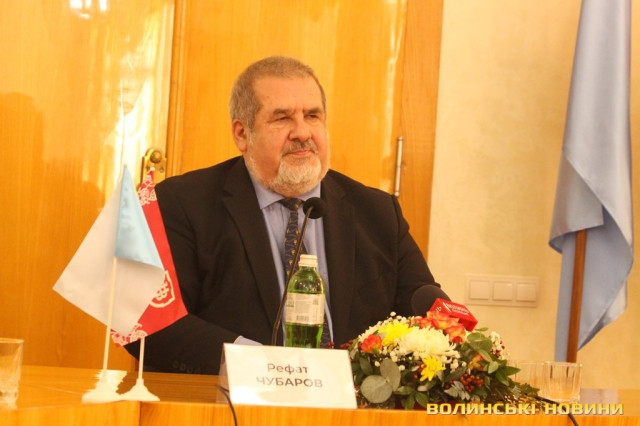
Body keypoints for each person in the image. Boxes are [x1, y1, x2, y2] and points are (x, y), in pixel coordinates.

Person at [125, 56, 445, 374]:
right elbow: (148, 322)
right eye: (282, 118)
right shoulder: (182, 204)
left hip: (352, 397)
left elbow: (426, 312)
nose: (302, 132)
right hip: (232, 396)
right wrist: (259, 365)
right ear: (242, 134)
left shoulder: (377, 212)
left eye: (313, 116)